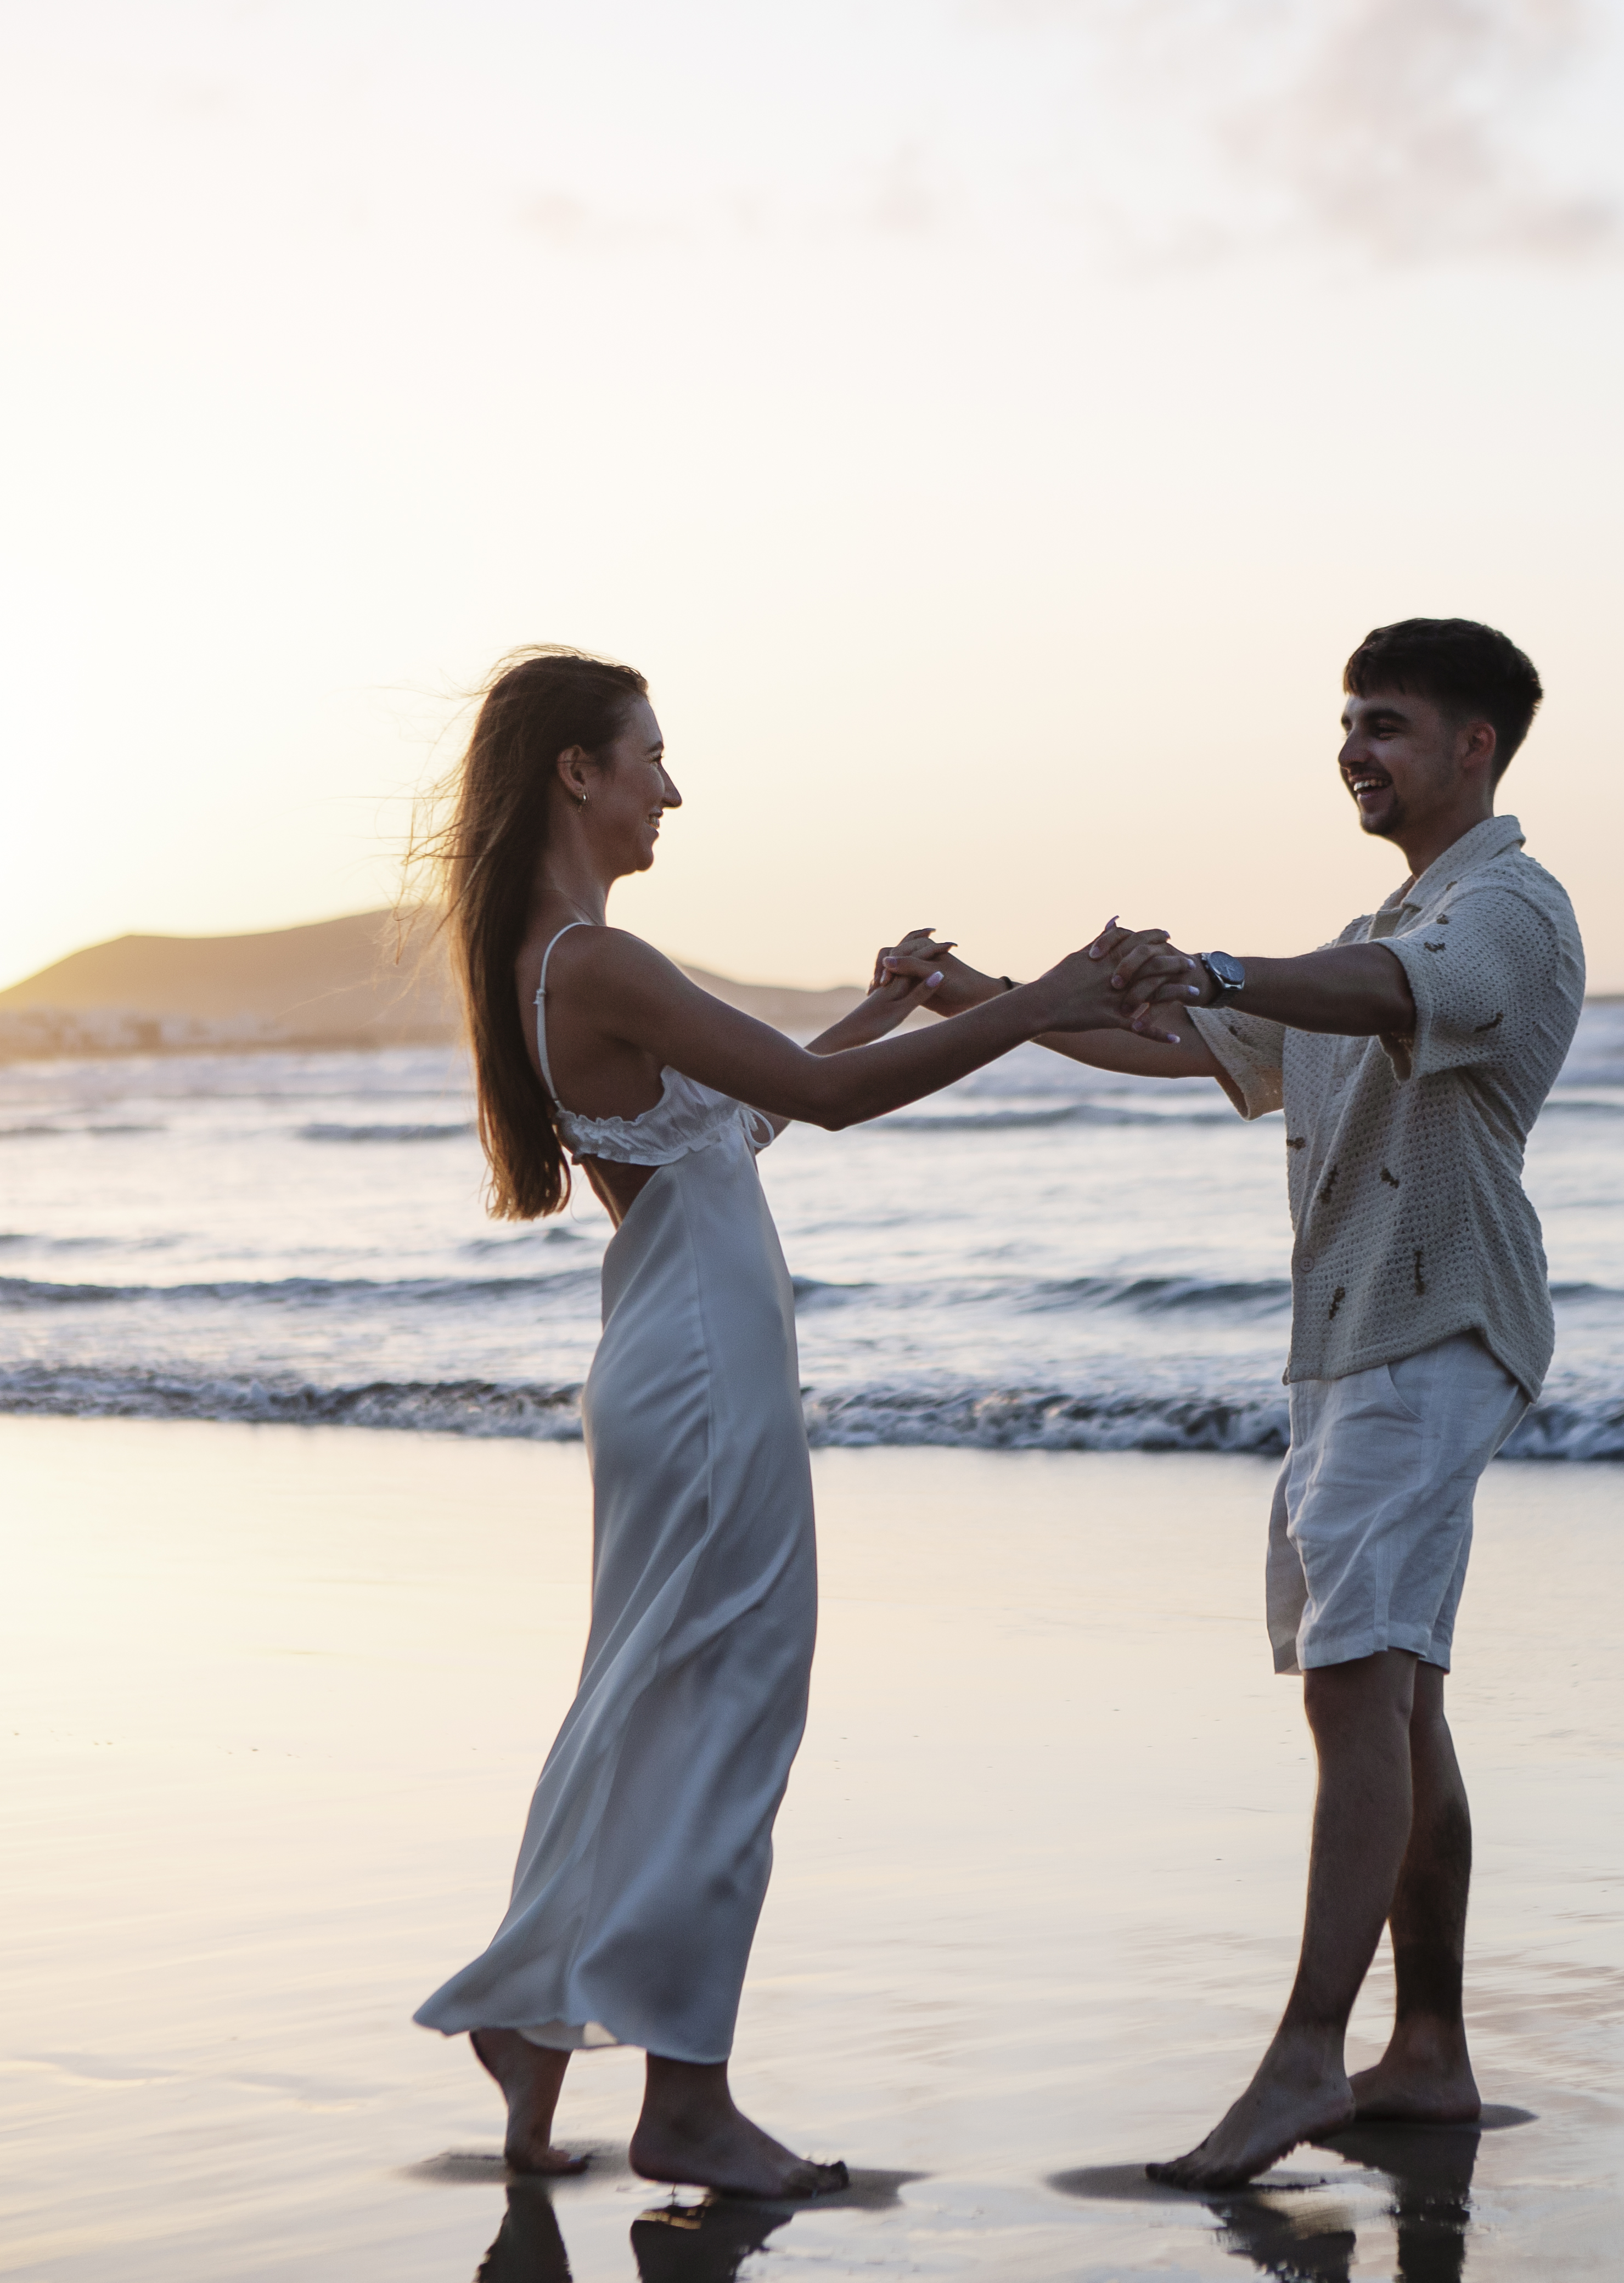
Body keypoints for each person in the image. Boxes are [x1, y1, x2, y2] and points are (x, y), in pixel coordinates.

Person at [409, 645, 1146, 2197]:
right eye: (653, 757)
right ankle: (685, 2100)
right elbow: (821, 1112)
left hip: (677, 1346)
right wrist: (1039, 1005)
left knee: (654, 1691)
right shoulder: (596, 961)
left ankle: (538, 2022)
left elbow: (744, 1112)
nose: (672, 787)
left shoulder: (568, 959)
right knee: (732, 1697)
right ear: (578, 775)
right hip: (697, 1357)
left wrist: (886, 1000)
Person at [889, 617, 1583, 2190]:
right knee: (1395, 1693)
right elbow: (1185, 1040)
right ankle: (1430, 2057)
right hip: (1354, 1351)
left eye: (1387, 724)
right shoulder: (1376, 924)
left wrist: (1215, 960)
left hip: (1436, 1332)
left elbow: (1396, 991)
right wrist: (982, 998)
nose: (1356, 748)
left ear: (1475, 746)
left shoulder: (1510, 909)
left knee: (1356, 1687)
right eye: (1347, 722)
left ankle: (1299, 2065)